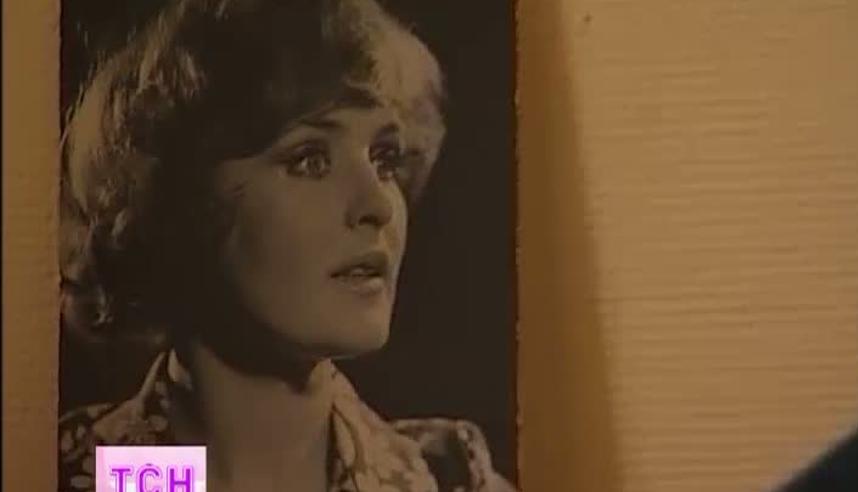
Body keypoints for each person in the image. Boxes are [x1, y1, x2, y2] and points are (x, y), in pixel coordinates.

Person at [57, 0, 516, 490]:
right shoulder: (73, 471)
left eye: (384, 158)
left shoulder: (450, 479)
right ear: (180, 204)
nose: (379, 204)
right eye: (309, 159)